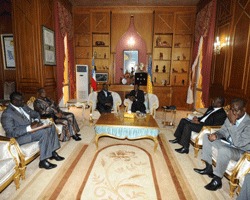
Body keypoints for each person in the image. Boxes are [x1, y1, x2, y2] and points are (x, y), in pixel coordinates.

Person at [194, 98, 250, 191]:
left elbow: (238, 143)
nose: (233, 112)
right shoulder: (230, 117)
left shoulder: (248, 123)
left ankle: (217, 180)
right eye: (232, 109)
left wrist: (232, 124)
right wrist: (216, 135)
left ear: (244, 109)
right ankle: (208, 168)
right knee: (206, 137)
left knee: (224, 150)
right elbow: (223, 131)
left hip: (241, 151)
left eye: (236, 110)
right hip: (228, 144)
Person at [1, 92, 64, 170]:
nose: (23, 101)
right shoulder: (7, 114)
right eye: (21, 100)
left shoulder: (23, 106)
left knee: (51, 126)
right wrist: (29, 128)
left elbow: (36, 114)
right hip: (19, 138)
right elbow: (11, 132)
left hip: (32, 129)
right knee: (43, 132)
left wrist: (36, 121)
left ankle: (52, 152)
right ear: (14, 101)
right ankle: (43, 161)